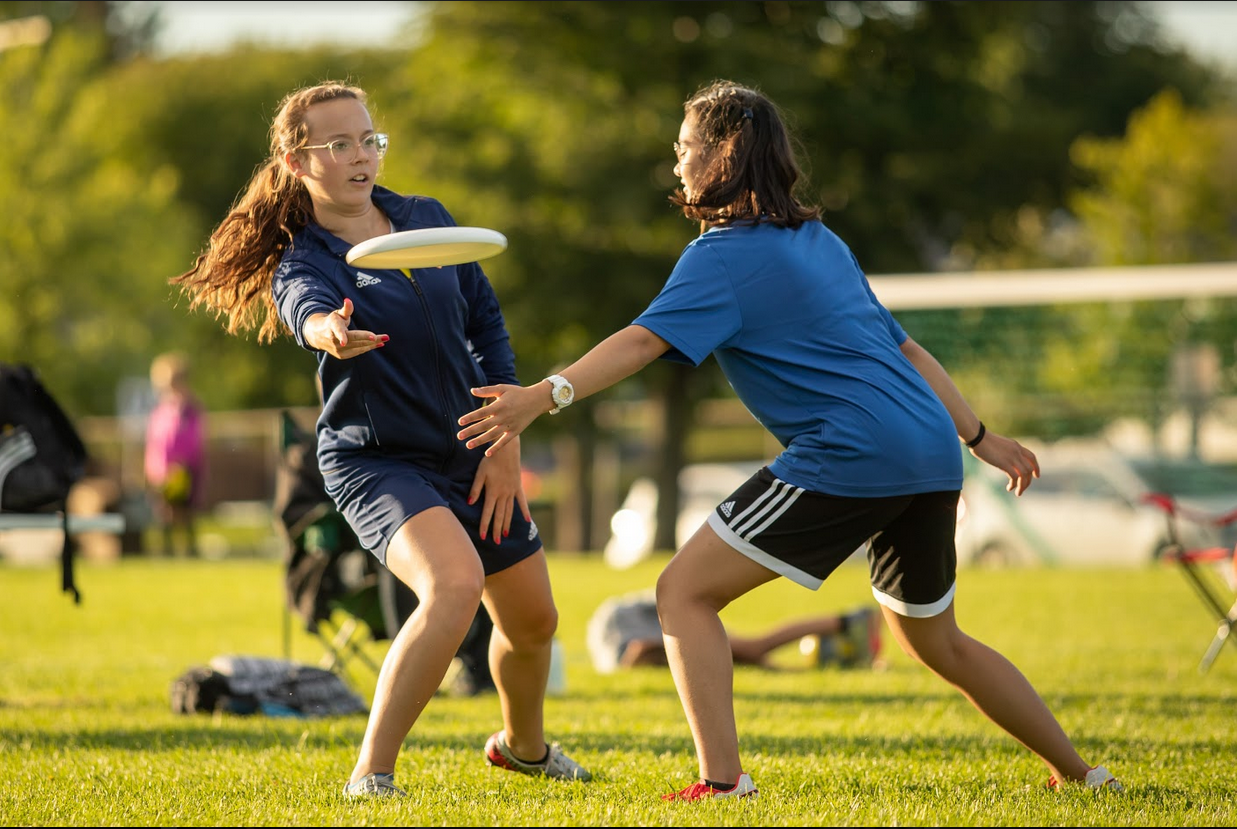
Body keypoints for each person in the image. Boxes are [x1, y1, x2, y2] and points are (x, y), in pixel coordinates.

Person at [456, 79, 1125, 801]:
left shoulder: (719, 255)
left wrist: (542, 394)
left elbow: (643, 341)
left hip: (854, 449)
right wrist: (978, 435)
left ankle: (721, 781)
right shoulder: (819, 240)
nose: (675, 163)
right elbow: (906, 351)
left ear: (724, 155)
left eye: (684, 148)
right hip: (928, 450)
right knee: (938, 640)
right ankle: (1083, 773)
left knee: (681, 593)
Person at [170, 81, 590, 798]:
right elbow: (303, 308)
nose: (361, 155)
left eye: (369, 139)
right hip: (377, 460)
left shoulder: (424, 220)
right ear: (299, 161)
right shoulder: (306, 258)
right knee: (453, 586)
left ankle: (523, 748)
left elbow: (484, 321)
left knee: (532, 621)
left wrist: (505, 434)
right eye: (339, 145)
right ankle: (371, 773)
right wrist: (328, 331)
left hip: (474, 444)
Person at [587, 589, 883, 673]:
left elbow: (639, 649)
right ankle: (846, 640)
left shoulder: (630, 640)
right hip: (631, 633)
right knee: (751, 657)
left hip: (636, 618)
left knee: (754, 649)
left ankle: (849, 621)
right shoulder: (630, 653)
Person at [144, 351, 206, 557]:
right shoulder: (161, 410)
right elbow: (155, 442)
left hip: (184, 469)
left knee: (184, 512)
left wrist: (182, 463)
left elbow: (193, 438)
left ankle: (190, 550)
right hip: (161, 471)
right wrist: (153, 468)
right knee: (164, 513)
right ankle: (166, 552)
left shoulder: (189, 409)